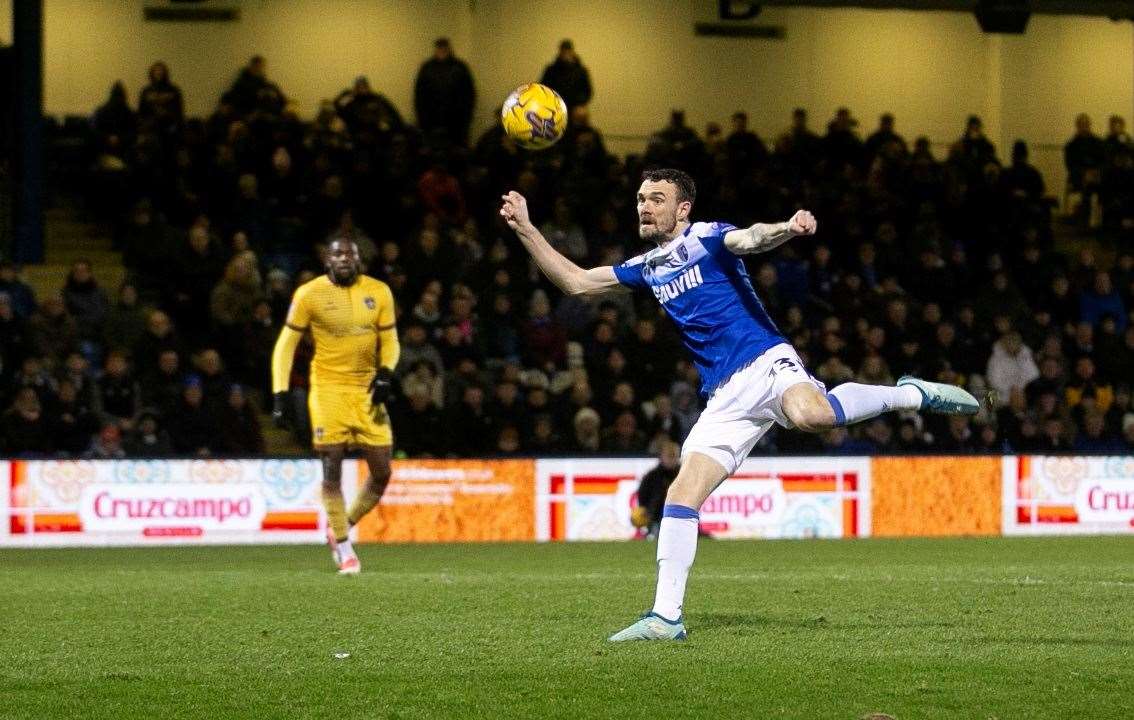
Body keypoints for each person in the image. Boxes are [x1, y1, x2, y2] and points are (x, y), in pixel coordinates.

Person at [499, 168, 980, 642]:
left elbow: (750, 239)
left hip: (764, 359)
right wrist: (526, 228)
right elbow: (578, 282)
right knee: (681, 495)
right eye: (641, 199)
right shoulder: (646, 268)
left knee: (811, 415)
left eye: (657, 199)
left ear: (683, 209)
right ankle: (666, 619)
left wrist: (787, 228)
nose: (645, 206)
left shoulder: (705, 237)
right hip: (724, 397)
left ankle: (909, 392)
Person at [271, 240, 400, 575]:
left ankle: (340, 525)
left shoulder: (379, 292)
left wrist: (386, 373)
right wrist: (280, 393)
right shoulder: (309, 294)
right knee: (332, 468)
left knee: (383, 471)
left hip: (365, 390)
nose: (346, 259)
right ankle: (345, 549)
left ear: (359, 260)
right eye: (339, 254)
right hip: (328, 388)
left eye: (351, 255)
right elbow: (286, 344)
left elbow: (390, 341)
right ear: (326, 259)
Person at [413, 38, 476, 147]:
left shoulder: (460, 68)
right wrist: (422, 119)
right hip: (431, 121)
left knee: (455, 152)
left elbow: (468, 95)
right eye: (439, 48)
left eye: (444, 48)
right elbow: (419, 96)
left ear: (449, 49)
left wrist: (465, 119)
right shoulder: (427, 68)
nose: (441, 51)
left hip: (456, 122)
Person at [632, 441, 680, 539]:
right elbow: (642, 495)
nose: (671, 460)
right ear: (661, 457)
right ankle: (653, 530)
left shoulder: (682, 474)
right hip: (655, 515)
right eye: (669, 456)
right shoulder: (652, 476)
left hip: (679, 513)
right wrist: (645, 510)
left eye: (673, 456)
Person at [539, 40, 592, 109]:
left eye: (568, 51)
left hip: (575, 109)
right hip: (555, 108)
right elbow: (543, 89)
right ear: (560, 52)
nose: (566, 54)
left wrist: (580, 105)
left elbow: (587, 92)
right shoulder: (551, 70)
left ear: (572, 52)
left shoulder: (581, 71)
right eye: (564, 51)